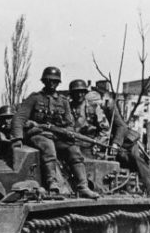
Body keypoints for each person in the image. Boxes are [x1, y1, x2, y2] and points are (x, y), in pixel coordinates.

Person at [10, 66, 100, 199]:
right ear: (44, 81)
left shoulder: (63, 101)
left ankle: (83, 186)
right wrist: (17, 138)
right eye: (49, 80)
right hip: (38, 135)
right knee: (48, 147)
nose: (52, 83)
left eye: (55, 81)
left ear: (58, 83)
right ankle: (52, 182)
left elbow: (69, 124)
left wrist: (65, 133)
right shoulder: (35, 98)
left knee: (74, 150)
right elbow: (19, 118)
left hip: (57, 136)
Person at [68, 80, 150, 197]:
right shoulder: (78, 108)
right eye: (76, 93)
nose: (79, 95)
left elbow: (121, 126)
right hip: (104, 142)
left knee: (135, 158)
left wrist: (116, 144)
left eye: (82, 92)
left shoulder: (108, 106)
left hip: (125, 139)